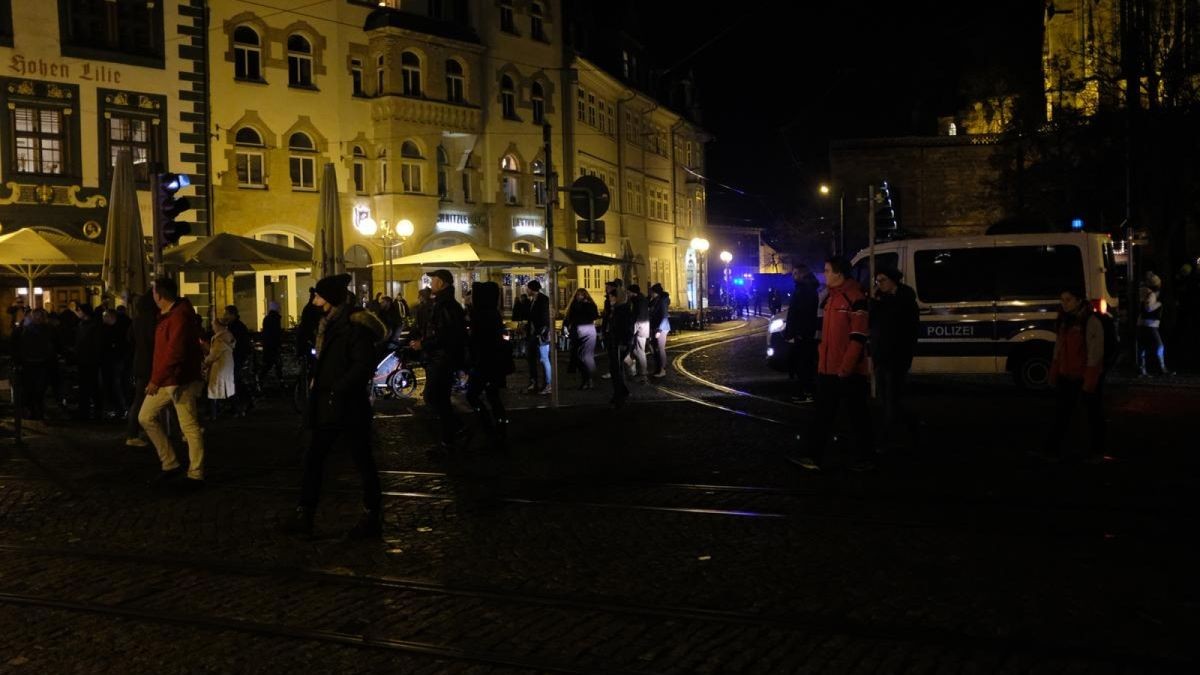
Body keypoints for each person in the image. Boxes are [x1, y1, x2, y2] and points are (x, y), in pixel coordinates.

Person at [284, 273, 386, 538]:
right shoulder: (328, 324)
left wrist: (337, 388)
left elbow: (362, 366)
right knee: (314, 458)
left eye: (318, 296)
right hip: (329, 403)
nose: (315, 301)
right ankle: (305, 513)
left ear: (329, 299)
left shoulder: (354, 327)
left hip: (347, 405)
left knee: (362, 461)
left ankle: (372, 516)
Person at [790, 256, 874, 472]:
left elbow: (858, 337)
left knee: (857, 416)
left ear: (839, 273)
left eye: (827, 270)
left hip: (848, 372)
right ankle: (814, 456)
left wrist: (846, 367)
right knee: (823, 415)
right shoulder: (830, 298)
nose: (824, 274)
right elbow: (823, 335)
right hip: (829, 369)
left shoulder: (854, 297)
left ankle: (864, 458)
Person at [137, 277, 207, 487]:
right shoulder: (168, 315)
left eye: (154, 292)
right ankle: (170, 463)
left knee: (189, 427)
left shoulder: (179, 316)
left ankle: (195, 473)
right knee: (145, 417)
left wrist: (156, 379)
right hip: (167, 378)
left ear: (159, 295)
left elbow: (174, 352)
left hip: (178, 380)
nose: (153, 296)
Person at [1042, 287, 1107, 462]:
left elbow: (1095, 351)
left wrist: (1090, 379)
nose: (1064, 303)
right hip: (1067, 374)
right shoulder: (1064, 321)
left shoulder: (1090, 321)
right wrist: (1055, 371)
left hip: (1083, 375)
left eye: (1068, 299)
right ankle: (1052, 449)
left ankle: (1097, 451)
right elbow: (1059, 348)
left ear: (1079, 301)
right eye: (1062, 300)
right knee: (1062, 414)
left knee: (1092, 415)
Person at [413, 270, 468, 450]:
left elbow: (446, 335)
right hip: (438, 357)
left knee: (434, 396)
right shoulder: (441, 303)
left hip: (443, 358)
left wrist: (424, 344)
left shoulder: (447, 305)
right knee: (438, 397)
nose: (430, 283)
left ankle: (452, 433)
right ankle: (452, 432)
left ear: (442, 283)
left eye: (434, 279)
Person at [870, 268, 922, 452]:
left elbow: (910, 331)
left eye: (882, 280)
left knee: (892, 398)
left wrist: (905, 355)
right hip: (881, 356)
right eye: (877, 281)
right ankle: (894, 432)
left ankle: (892, 436)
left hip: (896, 357)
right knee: (885, 398)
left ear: (893, 281)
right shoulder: (880, 300)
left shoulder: (905, 302)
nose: (879, 284)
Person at [465, 281, 511, 444]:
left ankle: (488, 424)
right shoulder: (493, 313)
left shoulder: (481, 315)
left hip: (483, 363)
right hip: (494, 363)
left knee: (473, 395)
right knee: (493, 396)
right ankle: (500, 426)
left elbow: (476, 340)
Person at [125, 292, 158, 447]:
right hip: (152, 363)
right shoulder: (155, 320)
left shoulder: (136, 321)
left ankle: (133, 433)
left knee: (138, 400)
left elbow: (129, 340)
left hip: (139, 363)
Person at [784, 265, 820, 403]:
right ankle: (805, 391)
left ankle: (808, 393)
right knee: (802, 363)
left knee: (803, 364)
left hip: (802, 332)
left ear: (801, 274)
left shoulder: (804, 290)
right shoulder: (807, 288)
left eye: (795, 273)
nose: (793, 276)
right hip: (803, 331)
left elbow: (799, 312)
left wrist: (794, 331)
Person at [14, 308, 55, 421]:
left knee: (38, 390)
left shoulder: (47, 329)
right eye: (36, 316)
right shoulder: (26, 330)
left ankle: (37, 411)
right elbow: (20, 347)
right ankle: (34, 411)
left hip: (40, 363)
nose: (38, 318)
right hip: (31, 363)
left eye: (40, 316)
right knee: (31, 390)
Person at [72, 304, 104, 420]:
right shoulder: (81, 325)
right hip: (83, 360)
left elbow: (95, 344)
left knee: (93, 386)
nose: (77, 312)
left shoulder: (93, 326)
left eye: (79, 310)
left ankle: (96, 410)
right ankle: (84, 410)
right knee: (84, 386)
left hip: (90, 360)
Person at [605, 284, 633, 407]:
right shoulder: (616, 309)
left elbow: (626, 328)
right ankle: (621, 391)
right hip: (614, 342)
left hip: (619, 343)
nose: (609, 299)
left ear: (618, 298)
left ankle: (619, 394)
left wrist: (624, 343)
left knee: (616, 369)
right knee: (615, 368)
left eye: (611, 297)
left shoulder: (623, 311)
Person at [522, 279, 552, 395]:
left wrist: (542, 331)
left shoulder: (543, 299)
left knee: (544, 359)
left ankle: (548, 384)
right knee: (531, 359)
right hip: (533, 334)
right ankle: (534, 382)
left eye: (527, 288)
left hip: (541, 334)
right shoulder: (532, 300)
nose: (526, 290)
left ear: (531, 288)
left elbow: (544, 317)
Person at [1137, 272, 1171, 376]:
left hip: (1140, 324)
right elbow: (1148, 308)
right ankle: (1162, 368)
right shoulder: (1151, 294)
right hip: (1151, 325)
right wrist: (1159, 304)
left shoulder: (1142, 291)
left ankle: (1142, 370)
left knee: (1142, 348)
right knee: (1159, 346)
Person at [566, 288, 600, 389]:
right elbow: (569, 317)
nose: (579, 297)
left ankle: (588, 379)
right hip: (578, 331)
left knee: (585, 356)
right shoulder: (574, 305)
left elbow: (594, 316)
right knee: (578, 356)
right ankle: (588, 378)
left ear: (585, 296)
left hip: (586, 330)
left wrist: (586, 305)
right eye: (578, 295)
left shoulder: (589, 304)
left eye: (581, 295)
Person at [100, 309, 130, 419]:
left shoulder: (119, 330)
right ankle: (118, 408)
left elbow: (122, 346)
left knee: (117, 385)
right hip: (109, 361)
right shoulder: (106, 328)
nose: (103, 319)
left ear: (110, 317)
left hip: (117, 361)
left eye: (105, 316)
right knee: (112, 386)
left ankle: (123, 408)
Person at [204, 318, 237, 419]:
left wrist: (205, 362)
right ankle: (235, 410)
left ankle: (213, 414)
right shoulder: (228, 336)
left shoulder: (219, 340)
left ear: (218, 326)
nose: (212, 327)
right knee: (229, 389)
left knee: (213, 390)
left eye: (213, 325)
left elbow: (213, 355)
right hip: (227, 366)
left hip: (219, 367)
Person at [223, 305, 253, 412]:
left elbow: (239, 344)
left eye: (226, 314)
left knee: (235, 380)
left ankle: (239, 403)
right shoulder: (233, 326)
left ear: (232, 315)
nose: (224, 316)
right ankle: (243, 402)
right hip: (234, 357)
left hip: (237, 357)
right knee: (235, 380)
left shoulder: (237, 327)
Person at [624, 284, 650, 383]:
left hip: (640, 329)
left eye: (628, 292)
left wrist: (633, 329)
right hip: (641, 328)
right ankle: (641, 370)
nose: (627, 293)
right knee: (637, 350)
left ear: (632, 292)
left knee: (640, 351)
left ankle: (643, 372)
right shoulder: (639, 300)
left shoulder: (639, 301)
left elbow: (639, 317)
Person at [648, 283, 671, 378]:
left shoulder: (661, 301)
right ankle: (658, 368)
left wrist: (659, 330)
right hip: (656, 326)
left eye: (652, 292)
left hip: (661, 328)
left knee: (660, 348)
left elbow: (664, 316)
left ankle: (662, 369)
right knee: (655, 348)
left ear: (655, 292)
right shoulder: (655, 300)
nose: (650, 293)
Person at [258, 301, 284, 388]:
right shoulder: (276, 319)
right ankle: (280, 381)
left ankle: (261, 379)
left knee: (269, 363)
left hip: (268, 345)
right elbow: (276, 333)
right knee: (276, 363)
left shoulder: (267, 319)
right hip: (273, 346)